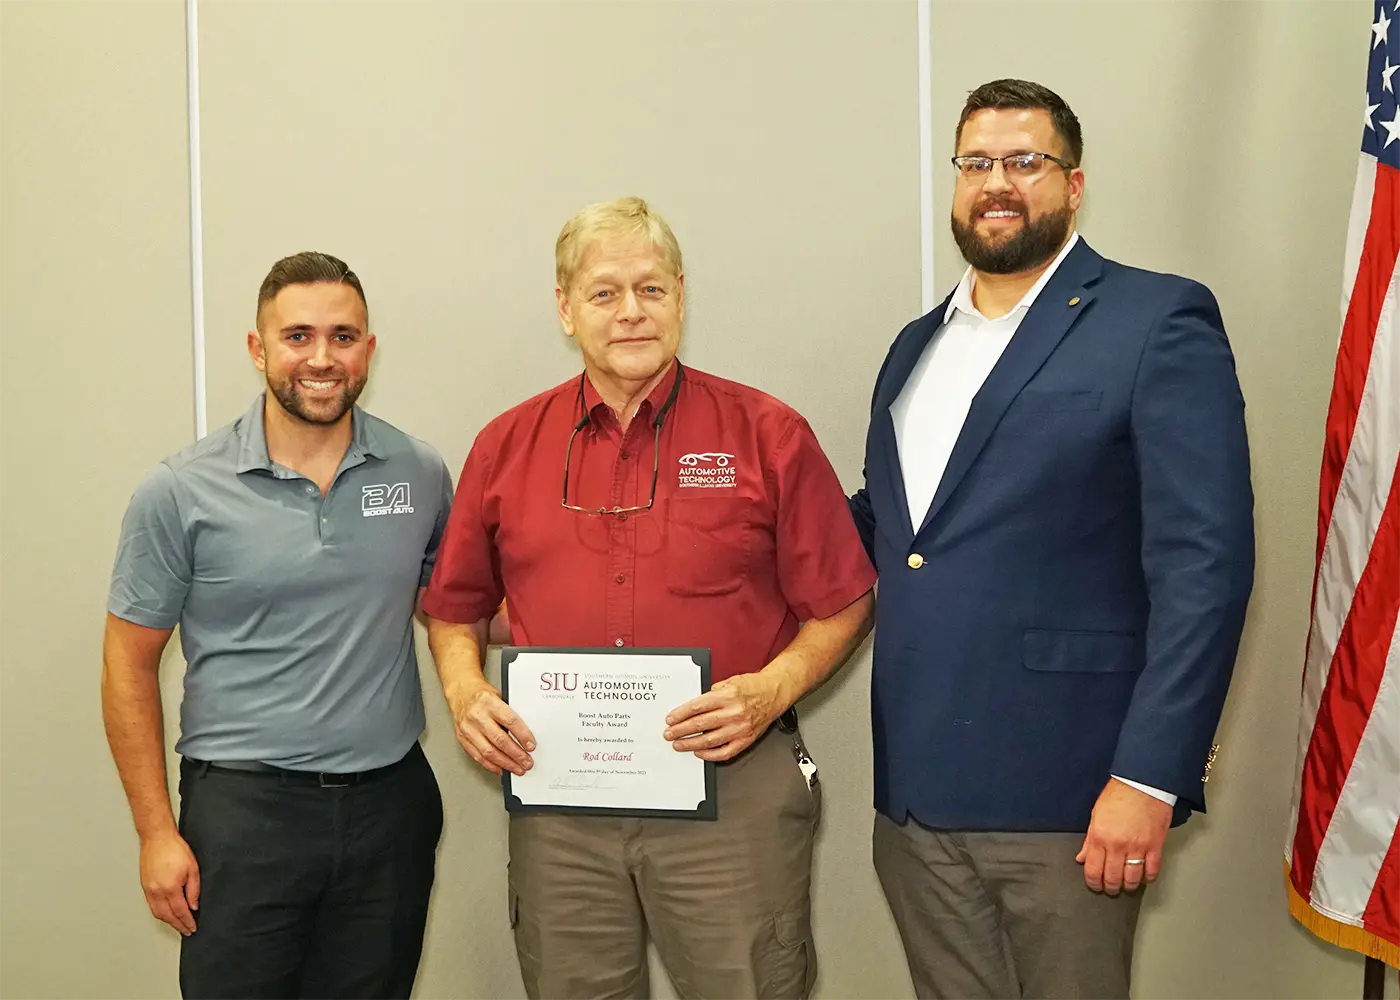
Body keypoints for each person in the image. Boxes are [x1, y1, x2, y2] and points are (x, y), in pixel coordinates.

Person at [849, 79, 1255, 1000]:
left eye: (1026, 162)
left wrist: (1150, 778)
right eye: (978, 163)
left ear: (1072, 186)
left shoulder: (1157, 319)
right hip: (915, 797)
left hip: (1074, 798)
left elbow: (1207, 567)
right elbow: (886, 530)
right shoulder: (916, 346)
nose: (999, 182)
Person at [421, 196, 876, 1000]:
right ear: (565, 308)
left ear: (680, 296)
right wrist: (464, 691)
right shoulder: (507, 445)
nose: (630, 312)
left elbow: (844, 598)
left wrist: (771, 690)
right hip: (561, 799)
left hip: (729, 784)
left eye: (651, 289)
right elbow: (454, 606)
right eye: (604, 293)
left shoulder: (768, 434)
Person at [101, 252, 453, 1000]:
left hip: (390, 809)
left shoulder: (418, 472)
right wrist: (156, 833)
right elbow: (126, 665)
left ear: (369, 349)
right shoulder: (180, 490)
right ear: (258, 349)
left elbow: (454, 608)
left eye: (343, 336)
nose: (321, 358)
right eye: (297, 336)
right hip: (244, 816)